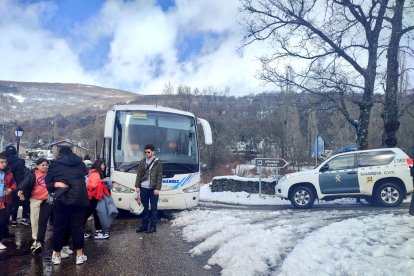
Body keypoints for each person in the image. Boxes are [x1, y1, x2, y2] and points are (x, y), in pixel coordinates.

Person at [45, 146, 89, 265]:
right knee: (78, 227)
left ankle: (57, 256)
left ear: (60, 153)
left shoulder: (54, 164)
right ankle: (79, 255)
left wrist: (56, 183)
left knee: (59, 227)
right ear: (72, 152)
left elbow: (48, 184)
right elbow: (85, 178)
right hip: (79, 199)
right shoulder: (80, 163)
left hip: (62, 200)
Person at [135, 144, 163, 234]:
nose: (146, 153)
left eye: (148, 152)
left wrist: (158, 188)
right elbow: (139, 174)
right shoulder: (142, 161)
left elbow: (159, 177)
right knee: (144, 208)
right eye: (145, 152)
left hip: (153, 189)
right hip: (143, 188)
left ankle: (153, 226)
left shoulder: (158, 162)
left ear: (153, 152)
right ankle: (144, 226)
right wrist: (137, 186)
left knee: (154, 208)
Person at [2, 145, 30, 226]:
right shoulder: (17, 162)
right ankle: (6, 228)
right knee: (9, 207)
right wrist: (18, 189)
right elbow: (19, 178)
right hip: (11, 188)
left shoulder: (2, 158)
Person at [84, 159, 110, 240]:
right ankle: (80, 231)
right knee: (87, 214)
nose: (104, 166)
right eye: (103, 165)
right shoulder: (96, 174)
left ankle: (97, 231)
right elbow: (93, 185)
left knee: (94, 213)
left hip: (92, 197)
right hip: (93, 197)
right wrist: (102, 182)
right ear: (99, 165)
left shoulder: (93, 172)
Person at [0, 154, 17, 250]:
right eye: (1, 162)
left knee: (2, 222)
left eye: (5, 162)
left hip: (5, 200)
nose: (4, 164)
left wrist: (11, 189)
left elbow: (14, 184)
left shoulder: (9, 174)